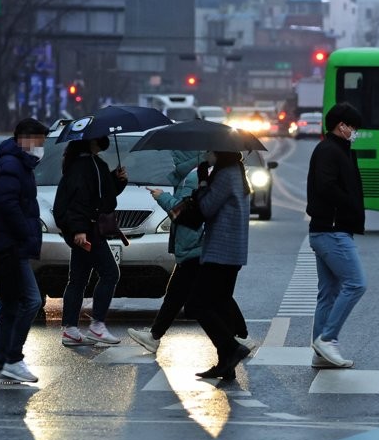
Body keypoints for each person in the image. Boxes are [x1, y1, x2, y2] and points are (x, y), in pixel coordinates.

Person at [0, 118, 49, 384]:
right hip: (10, 246)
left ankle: (1, 364)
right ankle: (12, 358)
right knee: (31, 301)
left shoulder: (19, 164)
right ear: (25, 139)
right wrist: (26, 232)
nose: (40, 148)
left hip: (10, 245)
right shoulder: (12, 165)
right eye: (39, 142)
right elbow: (7, 204)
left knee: (11, 306)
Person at [306, 102, 367, 369]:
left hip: (327, 229)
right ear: (341, 126)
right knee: (356, 284)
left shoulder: (337, 149)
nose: (355, 131)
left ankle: (321, 354)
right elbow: (326, 186)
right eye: (353, 126)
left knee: (328, 293)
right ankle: (327, 339)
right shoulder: (330, 150)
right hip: (332, 230)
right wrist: (350, 205)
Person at [128, 150, 206, 354]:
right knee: (178, 295)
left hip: (192, 245)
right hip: (193, 245)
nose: (171, 160)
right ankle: (154, 335)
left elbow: (184, 213)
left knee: (203, 299)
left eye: (174, 156)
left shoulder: (192, 177)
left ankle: (237, 338)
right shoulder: (193, 175)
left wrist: (162, 198)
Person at [184, 152, 253, 379]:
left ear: (219, 152)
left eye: (210, 150)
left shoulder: (226, 174)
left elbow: (206, 208)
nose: (206, 154)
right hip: (231, 252)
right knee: (219, 303)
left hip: (221, 252)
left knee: (197, 304)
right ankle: (226, 364)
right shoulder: (235, 172)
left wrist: (203, 181)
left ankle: (232, 348)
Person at [53, 136, 127, 346]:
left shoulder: (92, 163)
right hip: (88, 230)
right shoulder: (83, 166)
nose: (104, 141)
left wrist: (117, 179)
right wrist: (79, 229)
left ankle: (71, 329)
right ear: (91, 142)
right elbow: (79, 200)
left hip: (87, 229)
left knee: (78, 279)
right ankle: (97, 325)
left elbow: (102, 194)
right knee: (110, 273)